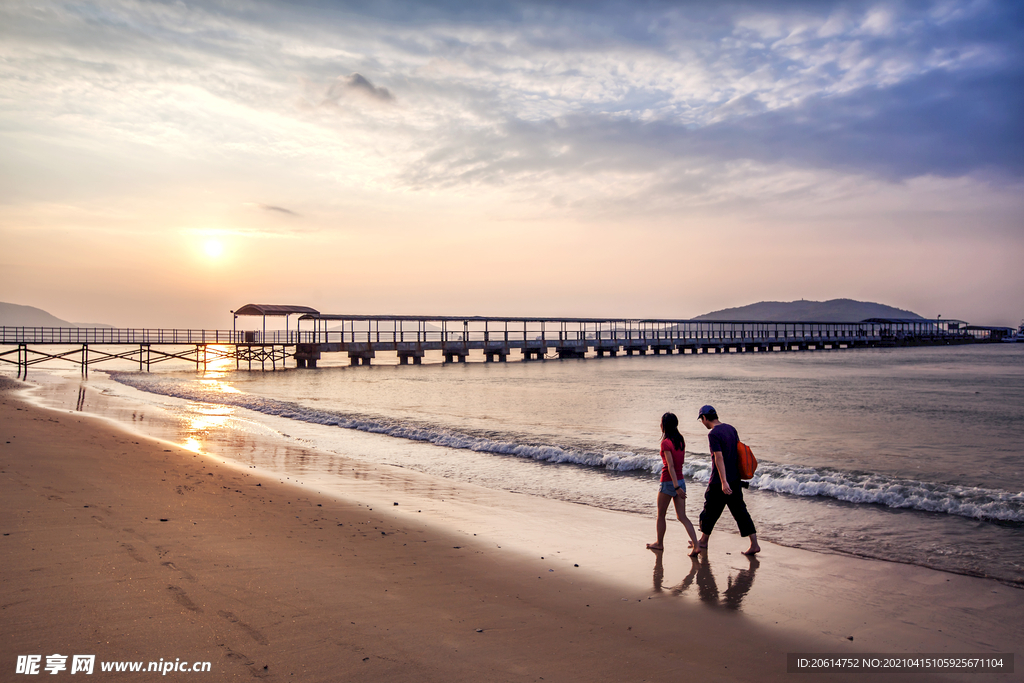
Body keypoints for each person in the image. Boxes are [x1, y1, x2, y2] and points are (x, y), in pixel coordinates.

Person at [696, 405, 760, 555]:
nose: (703, 423)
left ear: (704, 418)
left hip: (720, 481)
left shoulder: (713, 434)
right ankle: (754, 544)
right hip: (735, 479)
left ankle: (704, 541)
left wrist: (724, 481)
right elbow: (738, 452)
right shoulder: (731, 429)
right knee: (740, 512)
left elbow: (719, 458)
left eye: (701, 420)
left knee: (709, 511)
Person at [646, 412, 701, 556]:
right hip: (681, 480)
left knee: (661, 515)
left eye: (661, 422)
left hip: (668, 481)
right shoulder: (680, 440)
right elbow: (678, 464)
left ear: (665, 425)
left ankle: (659, 544)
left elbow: (670, 466)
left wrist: (675, 487)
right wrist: (679, 486)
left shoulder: (665, 442)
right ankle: (696, 545)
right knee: (682, 516)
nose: (659, 425)